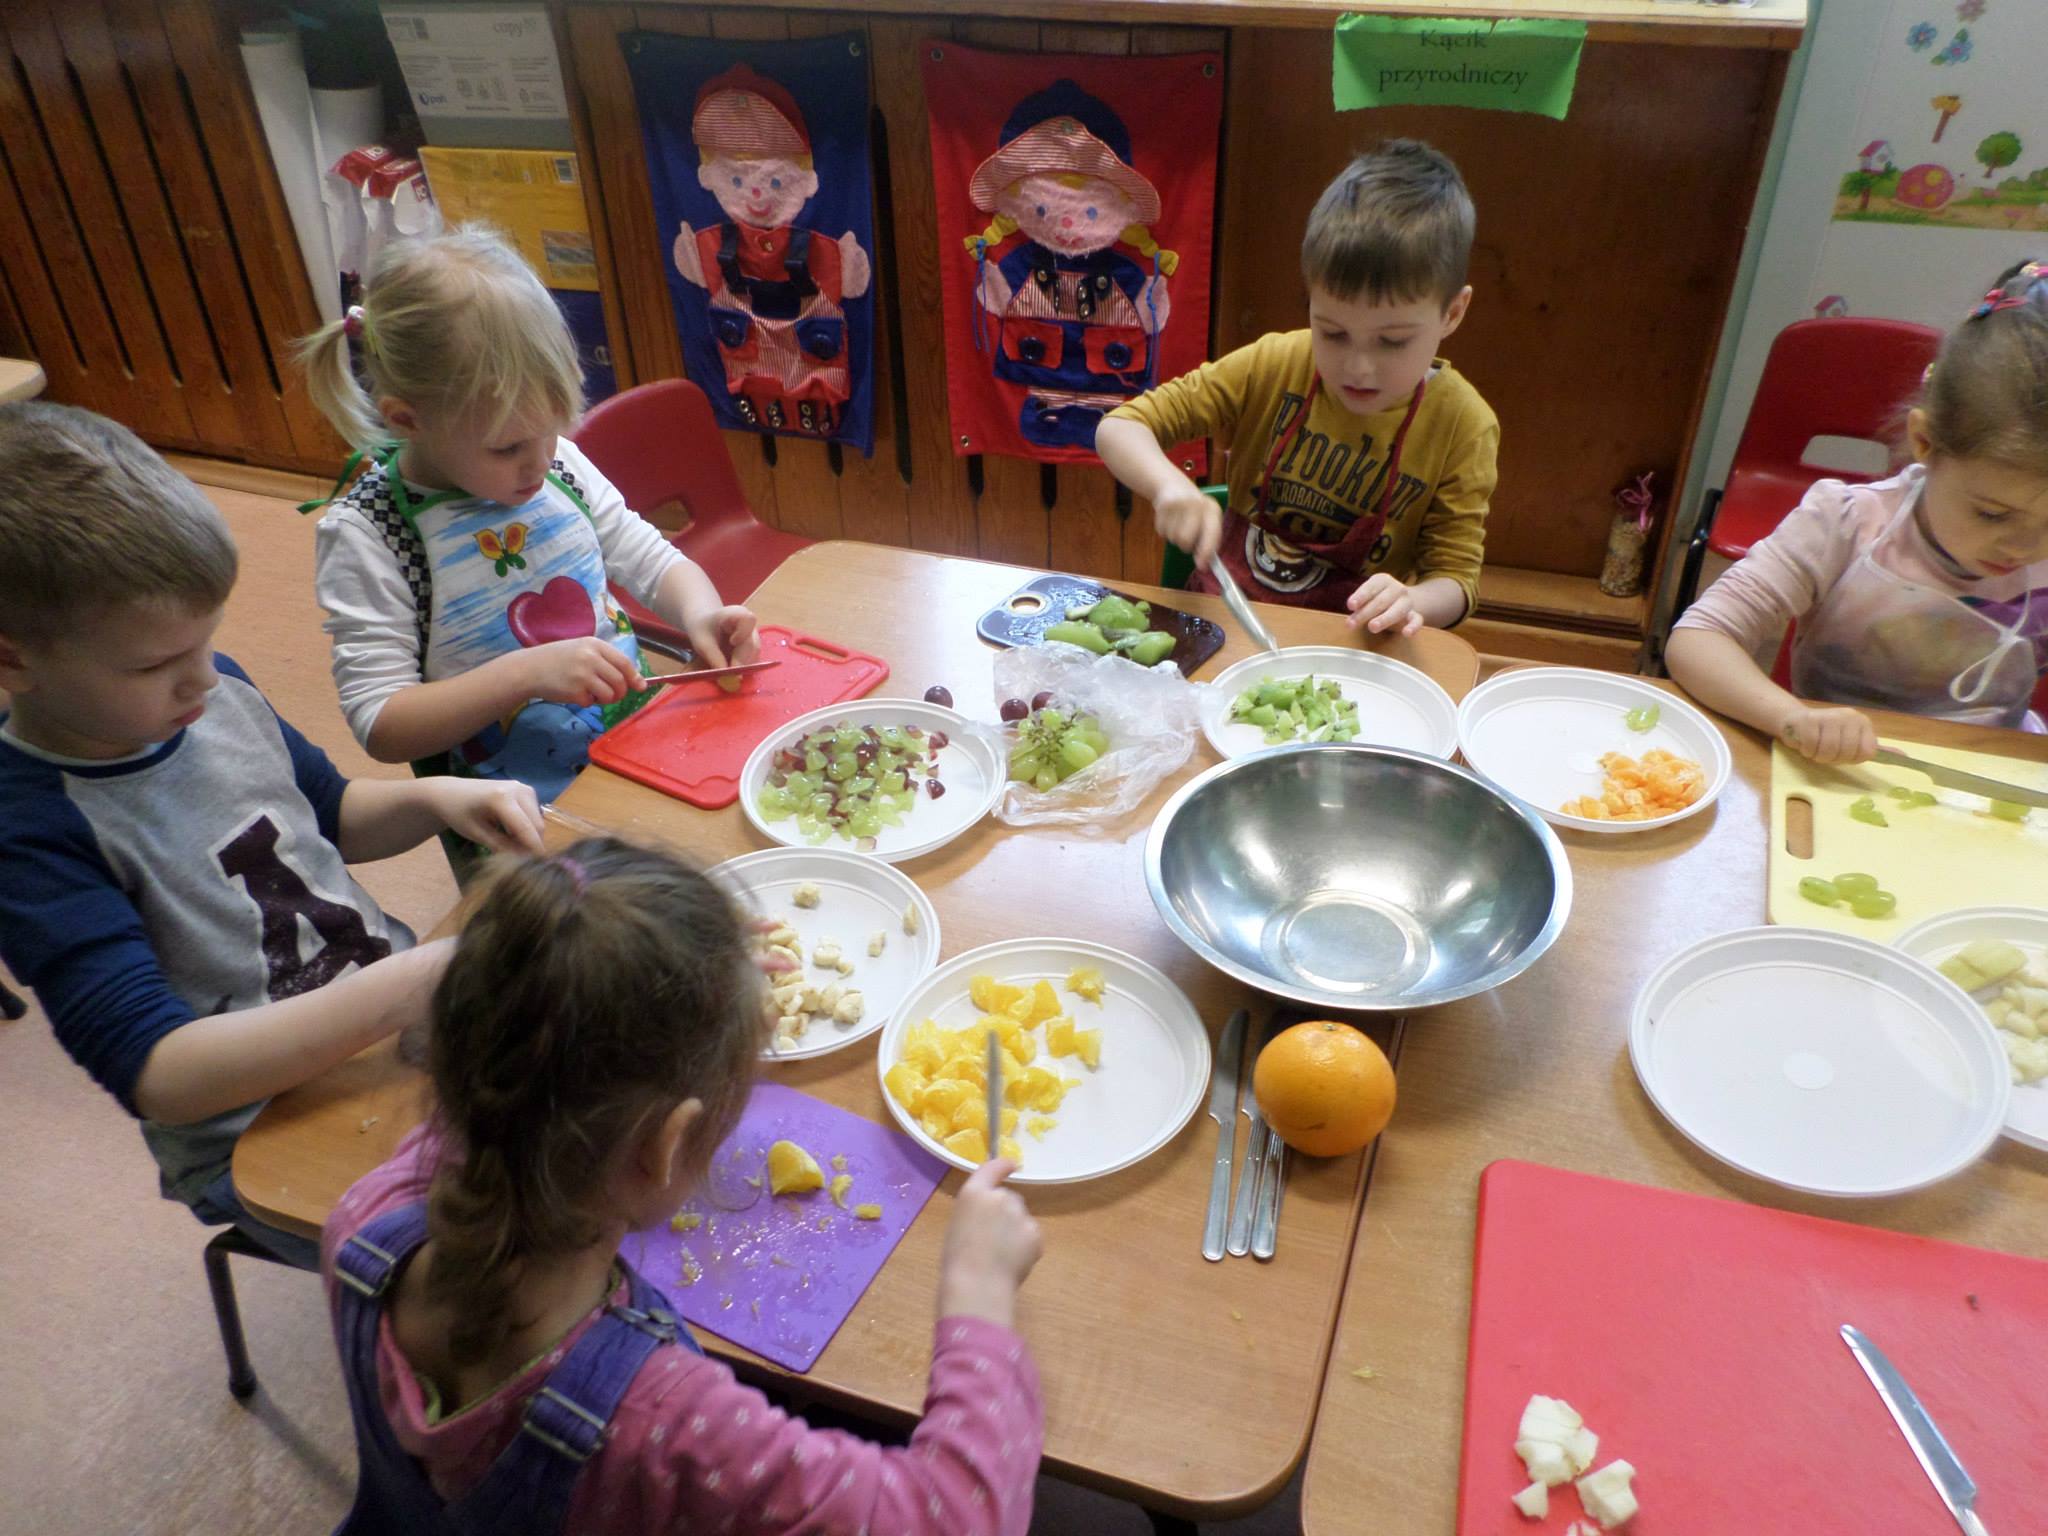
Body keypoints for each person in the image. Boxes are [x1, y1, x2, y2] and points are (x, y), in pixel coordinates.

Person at [323, 837, 1044, 1534]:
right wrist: (978, 1293)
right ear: (663, 1148)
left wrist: (640, 999)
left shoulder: (361, 1218)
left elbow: (518, 1080)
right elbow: (959, 1517)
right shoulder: (674, 1434)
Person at [0, 402, 544, 1266]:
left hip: (392, 1021)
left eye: (206, 642)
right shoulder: (29, 829)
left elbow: (330, 815)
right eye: (155, 664)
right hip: (254, 1131)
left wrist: (439, 800)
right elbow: (160, 1073)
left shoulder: (213, 694)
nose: (203, 681)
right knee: (514, 1248)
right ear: (13, 659)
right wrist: (407, 988)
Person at [298, 224, 760, 805]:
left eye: (552, 430)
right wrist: (525, 674)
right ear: (407, 419)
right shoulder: (372, 536)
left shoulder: (557, 462)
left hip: (638, 754)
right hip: (518, 815)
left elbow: (651, 559)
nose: (540, 461)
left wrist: (702, 614)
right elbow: (381, 723)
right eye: (508, 448)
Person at [1096, 139, 1497, 633]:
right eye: (1333, 333)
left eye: (1392, 341)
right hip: (1223, 623)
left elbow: (1456, 581)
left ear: (1452, 312)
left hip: (1345, 644)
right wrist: (1167, 486)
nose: (1358, 367)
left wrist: (1412, 600)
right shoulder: (1275, 363)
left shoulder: (1462, 424)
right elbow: (1119, 427)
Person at [1668, 261, 2048, 762]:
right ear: (1924, 442)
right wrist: (1792, 717)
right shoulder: (1846, 523)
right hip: (1839, 767)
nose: (2025, 548)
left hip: (1996, 768)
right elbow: (1699, 638)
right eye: (1993, 514)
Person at [671, 63, 872, 437]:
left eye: (775, 181)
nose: (756, 193)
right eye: (736, 180)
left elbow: (852, 281)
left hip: (819, 391)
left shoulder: (819, 248)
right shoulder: (712, 243)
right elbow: (693, 268)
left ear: (803, 181)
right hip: (748, 388)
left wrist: (845, 263)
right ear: (710, 178)